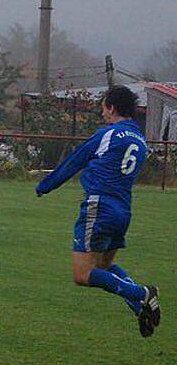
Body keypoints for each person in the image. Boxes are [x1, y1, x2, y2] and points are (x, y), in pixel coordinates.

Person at [36, 86, 160, 337]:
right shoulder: (139, 140)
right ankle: (140, 305)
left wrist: (45, 186)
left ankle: (142, 293)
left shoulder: (108, 134)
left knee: (82, 274)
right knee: (103, 266)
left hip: (99, 207)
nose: (102, 112)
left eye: (103, 106)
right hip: (123, 210)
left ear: (112, 107)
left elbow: (75, 160)